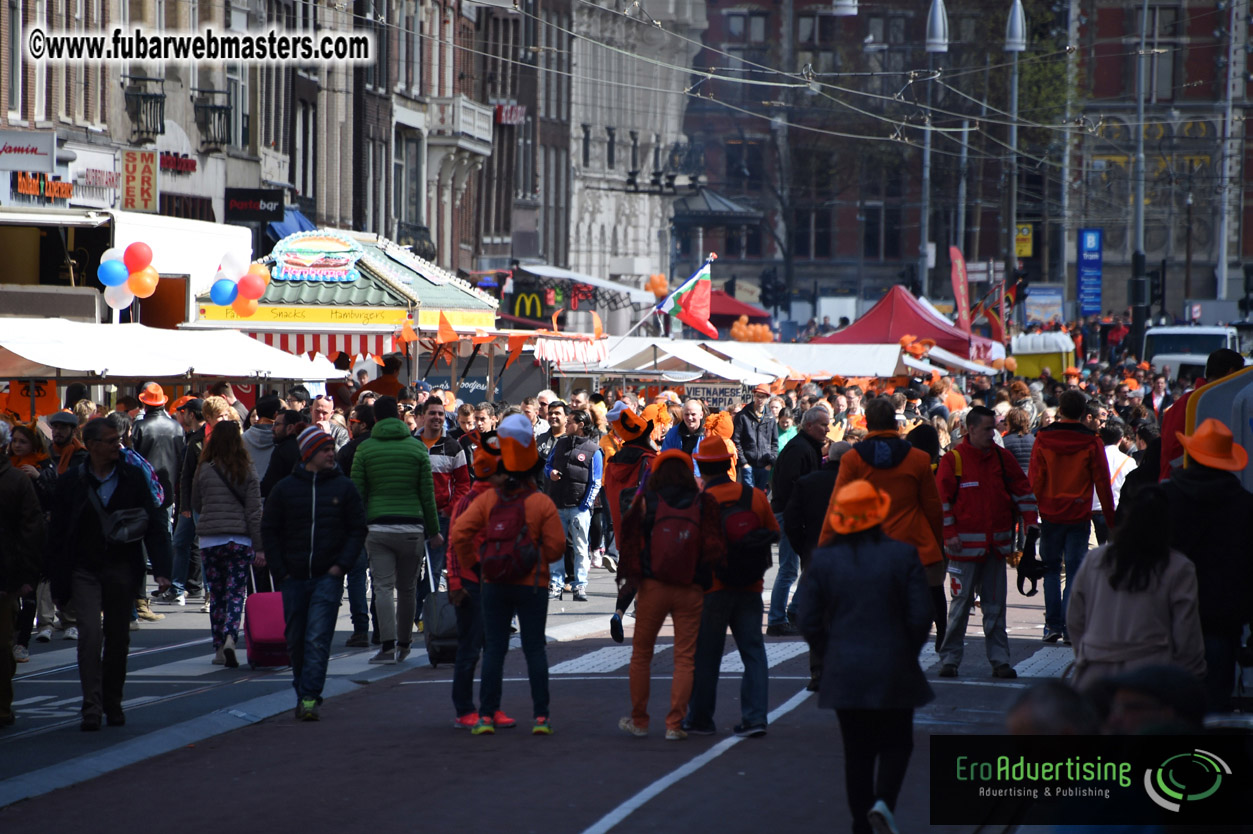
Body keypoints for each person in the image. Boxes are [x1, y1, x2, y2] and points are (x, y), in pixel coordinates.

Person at [795, 480, 933, 834]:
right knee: (898, 742)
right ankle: (884, 801)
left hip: (844, 665)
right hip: (894, 663)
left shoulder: (824, 560)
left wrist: (828, 652)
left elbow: (807, 618)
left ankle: (861, 822)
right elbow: (921, 615)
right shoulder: (903, 555)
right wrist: (907, 650)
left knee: (857, 752)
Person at [47, 418, 172, 730]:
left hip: (121, 567)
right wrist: (57, 581)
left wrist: (162, 570)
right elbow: (58, 533)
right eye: (112, 441)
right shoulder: (72, 480)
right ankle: (92, 706)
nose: (119, 445)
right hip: (84, 568)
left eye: (119, 439)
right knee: (90, 636)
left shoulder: (132, 476)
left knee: (118, 638)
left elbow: (154, 522)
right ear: (92, 445)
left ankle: (112, 700)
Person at [449, 414, 565, 736]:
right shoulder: (541, 503)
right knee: (534, 649)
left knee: (494, 650)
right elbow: (557, 548)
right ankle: (541, 718)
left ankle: (486, 715)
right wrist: (538, 560)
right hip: (532, 585)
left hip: (494, 583)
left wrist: (477, 566)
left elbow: (459, 534)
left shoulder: (486, 499)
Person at [616, 448, 724, 741]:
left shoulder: (646, 501)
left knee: (641, 655)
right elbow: (714, 548)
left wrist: (626, 593)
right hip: (691, 587)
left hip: (653, 586)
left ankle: (639, 721)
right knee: (685, 658)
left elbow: (630, 547)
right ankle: (674, 724)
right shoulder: (703, 502)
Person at [261, 427, 367, 721]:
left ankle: (309, 696)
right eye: (325, 450)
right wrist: (281, 571)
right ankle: (302, 690)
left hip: (327, 576)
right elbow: (269, 530)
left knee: (317, 637)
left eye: (332, 448)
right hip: (293, 577)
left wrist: (340, 567)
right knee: (296, 638)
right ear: (309, 454)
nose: (332, 454)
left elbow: (357, 529)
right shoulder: (285, 489)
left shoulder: (344, 488)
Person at [1066, 486, 1205, 692]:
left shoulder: (1096, 559)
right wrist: (1189, 673)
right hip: (1151, 674)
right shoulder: (1177, 567)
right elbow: (1186, 632)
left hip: (1096, 672)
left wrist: (1088, 652)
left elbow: (1075, 618)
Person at [935, 406, 1039, 680]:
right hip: (963, 551)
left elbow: (1023, 491)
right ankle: (950, 660)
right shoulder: (954, 460)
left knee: (995, 608)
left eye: (994, 428)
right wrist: (950, 534)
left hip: (995, 550)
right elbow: (942, 502)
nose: (993, 434)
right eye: (987, 429)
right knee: (960, 608)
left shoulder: (1002, 458)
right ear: (970, 429)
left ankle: (1000, 661)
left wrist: (1031, 522)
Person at [834, 396, 946, 648]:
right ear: (895, 424)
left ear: (868, 423)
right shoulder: (918, 459)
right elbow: (933, 508)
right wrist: (937, 544)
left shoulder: (852, 459)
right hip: (914, 546)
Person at [684, 436, 776, 737]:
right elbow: (773, 532)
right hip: (751, 585)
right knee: (753, 652)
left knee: (706, 655)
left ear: (701, 466)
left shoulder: (698, 502)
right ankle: (755, 718)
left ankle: (700, 719)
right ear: (730, 463)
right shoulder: (754, 496)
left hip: (711, 588)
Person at [1162, 418, 1253, 711]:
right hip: (1223, 620)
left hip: (1165, 617)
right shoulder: (1245, 505)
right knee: (1213, 706)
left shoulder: (1165, 499)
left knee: (1167, 707)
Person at [351, 396, 441, 664]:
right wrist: (434, 531)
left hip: (378, 527)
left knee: (382, 587)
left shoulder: (365, 449)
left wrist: (356, 529)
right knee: (408, 588)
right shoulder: (417, 448)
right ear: (400, 417)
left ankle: (387, 646)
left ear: (375, 419)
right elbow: (428, 496)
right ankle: (404, 644)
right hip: (412, 527)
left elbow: (357, 494)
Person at [1028, 389, 1115, 644]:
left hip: (1050, 513)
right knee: (1075, 571)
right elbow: (1102, 482)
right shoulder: (1092, 441)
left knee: (1051, 570)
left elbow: (1035, 479)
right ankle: (1068, 626)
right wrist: (1111, 519)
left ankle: (1052, 625)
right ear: (1083, 412)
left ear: (1060, 410)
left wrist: (1030, 515)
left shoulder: (1043, 438)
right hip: (1078, 513)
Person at [192, 421, 265, 668]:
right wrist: (259, 546)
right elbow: (254, 511)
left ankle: (218, 649)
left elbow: (196, 502)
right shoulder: (247, 468)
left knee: (217, 595)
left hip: (210, 540)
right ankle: (231, 638)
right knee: (236, 593)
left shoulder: (204, 468)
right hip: (239, 539)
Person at [767, 406, 830, 636]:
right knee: (789, 569)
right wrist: (799, 514)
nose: (827, 429)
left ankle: (793, 611)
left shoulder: (806, 447)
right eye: (823, 425)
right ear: (809, 425)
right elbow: (788, 486)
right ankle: (776, 620)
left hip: (794, 513)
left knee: (805, 566)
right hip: (789, 514)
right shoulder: (800, 448)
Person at [0, 420, 45, 727]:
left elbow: (32, 530)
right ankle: (2, 706)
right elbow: (32, 530)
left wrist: (26, 575)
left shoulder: (16, 481)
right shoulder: (17, 480)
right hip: (7, 577)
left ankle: (2, 706)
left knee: (2, 645)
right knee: (2, 645)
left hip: (5, 577)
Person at [416, 397, 471, 619]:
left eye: (440, 413)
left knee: (434, 570)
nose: (437, 417)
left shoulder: (453, 446)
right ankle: (413, 613)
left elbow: (463, 484)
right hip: (414, 517)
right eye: (432, 413)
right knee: (410, 571)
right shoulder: (411, 443)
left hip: (441, 518)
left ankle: (425, 616)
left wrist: (449, 510)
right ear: (422, 416)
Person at [1158, 348, 1245, 480]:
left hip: (1177, 482)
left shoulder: (1185, 402)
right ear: (1231, 373)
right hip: (1191, 483)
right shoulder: (1213, 404)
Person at [545, 408, 602, 601]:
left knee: (580, 548)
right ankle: (556, 584)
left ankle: (580, 586)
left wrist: (585, 506)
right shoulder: (560, 443)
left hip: (579, 508)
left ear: (581, 425)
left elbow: (596, 482)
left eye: (570, 422)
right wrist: (551, 473)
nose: (566, 424)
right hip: (558, 504)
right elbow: (548, 465)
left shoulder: (594, 450)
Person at [335, 402, 375, 647]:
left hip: (355, 519)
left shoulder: (350, 450)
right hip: (380, 517)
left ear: (364, 424)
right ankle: (381, 629)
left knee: (356, 573)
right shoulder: (380, 447)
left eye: (353, 422)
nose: (350, 426)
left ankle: (361, 629)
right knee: (381, 577)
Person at [160, 397, 206, 607]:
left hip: (198, 501)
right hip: (191, 501)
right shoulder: (193, 437)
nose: (182, 415)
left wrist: (186, 504)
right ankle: (178, 588)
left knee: (199, 545)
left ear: (192, 414)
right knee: (181, 542)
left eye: (184, 411)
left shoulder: (201, 438)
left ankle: (206, 593)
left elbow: (189, 475)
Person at [731, 383, 778, 489]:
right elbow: (736, 440)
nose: (759, 399)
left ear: (767, 398)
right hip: (748, 465)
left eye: (763, 396)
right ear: (754, 396)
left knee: (760, 495)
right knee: (749, 495)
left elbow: (774, 442)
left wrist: (770, 463)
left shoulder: (770, 417)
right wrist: (744, 463)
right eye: (757, 396)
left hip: (764, 465)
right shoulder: (742, 415)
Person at [260, 409, 304, 498]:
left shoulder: (282, 450)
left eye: (277, 424)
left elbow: (268, 485)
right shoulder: (306, 446)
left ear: (290, 428)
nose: (272, 428)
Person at [242, 395, 281, 480]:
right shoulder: (282, 439)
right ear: (276, 414)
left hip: (249, 484)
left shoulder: (243, 438)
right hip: (273, 484)